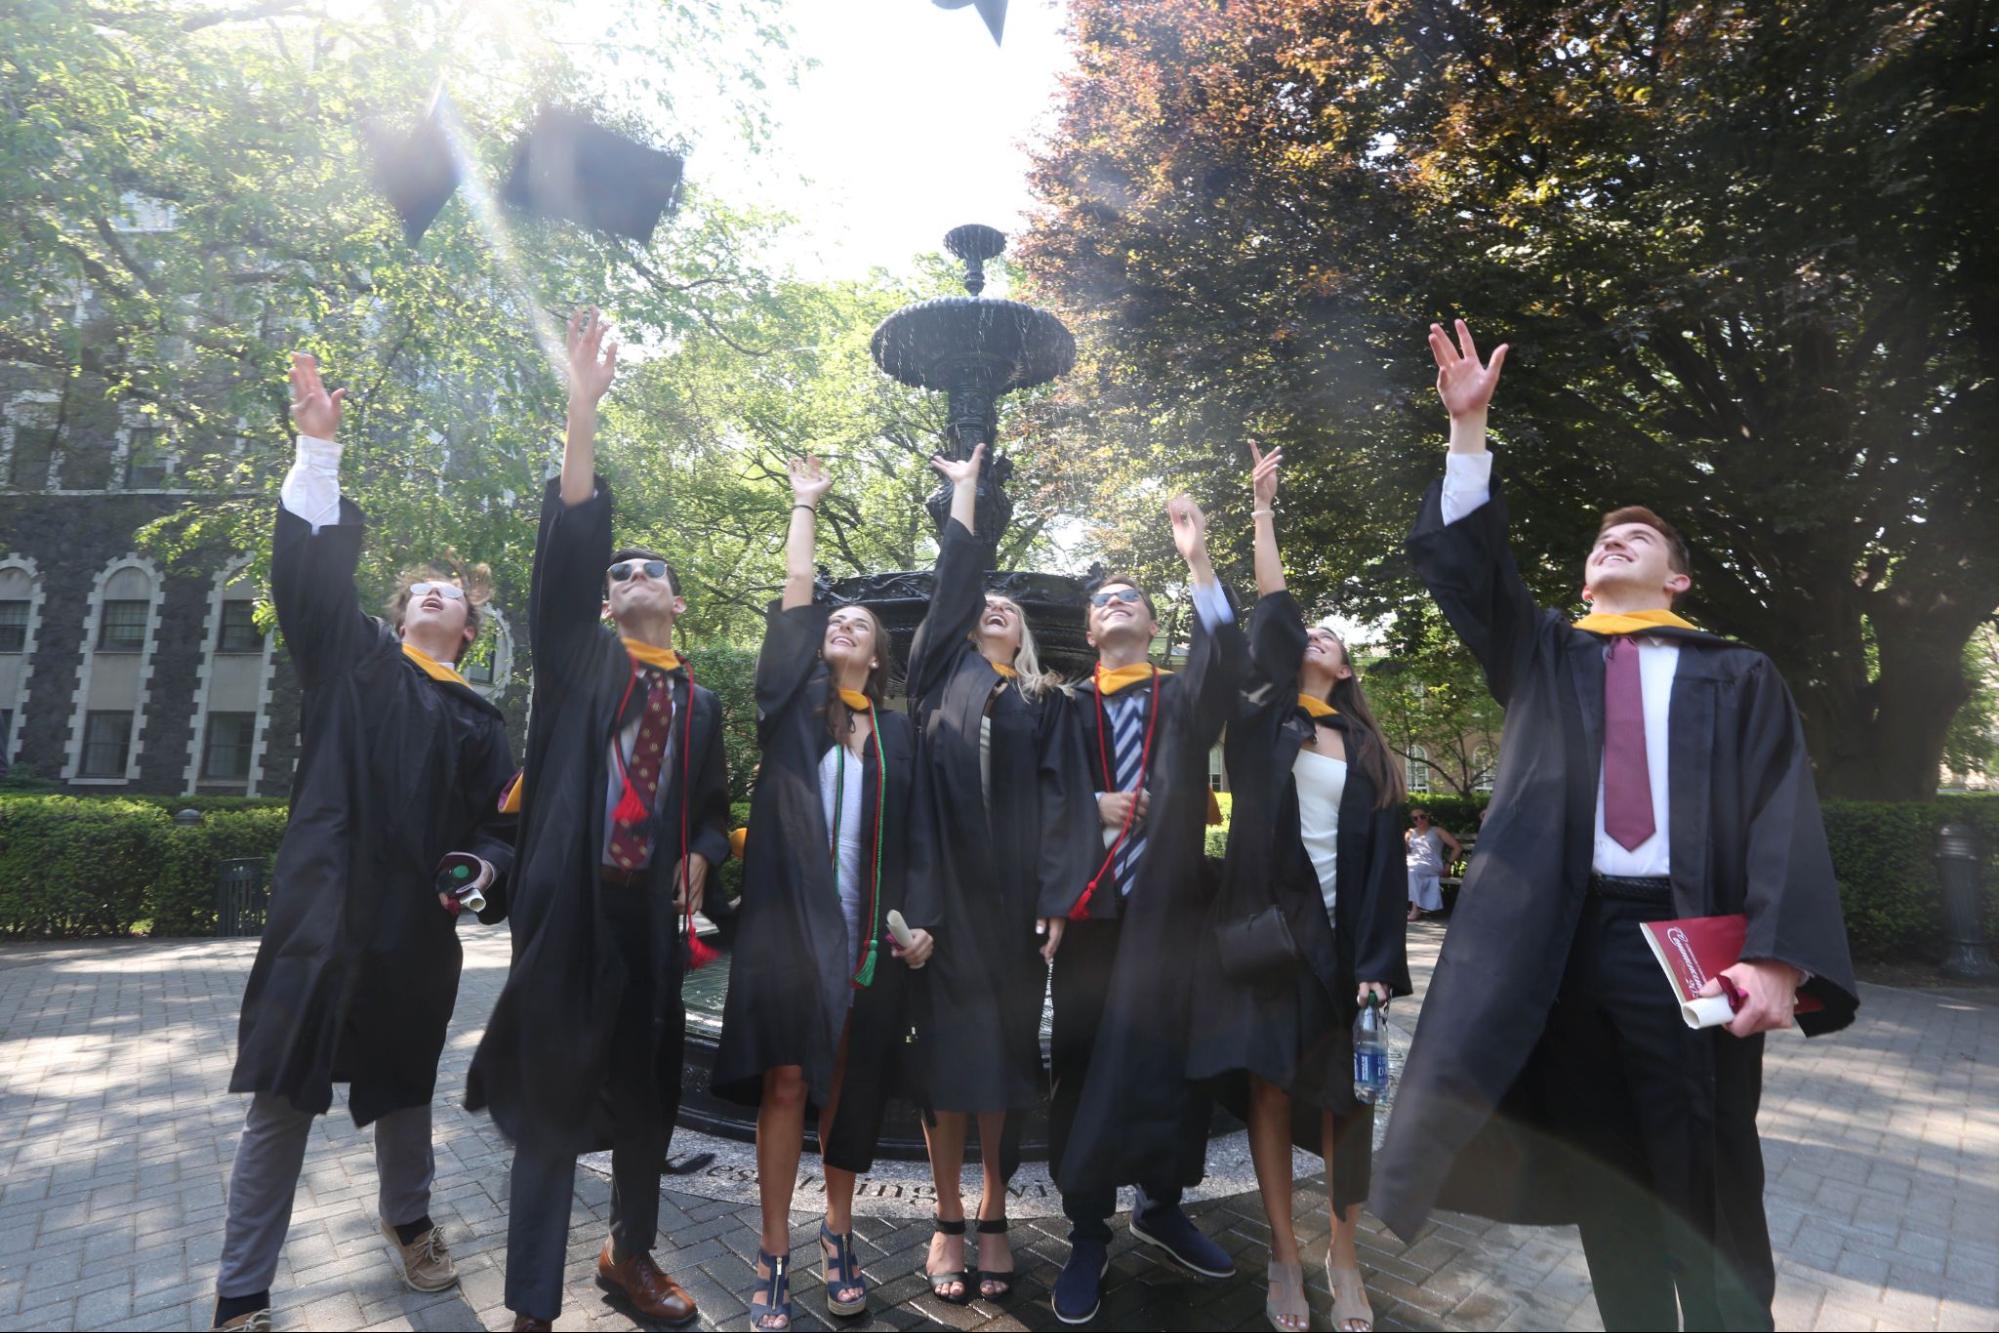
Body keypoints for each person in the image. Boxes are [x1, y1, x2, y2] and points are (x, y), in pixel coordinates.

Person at [1372, 320, 1860, 1331]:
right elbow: (1469, 573)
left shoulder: (1737, 674)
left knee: (1705, 1158)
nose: (1612, 541)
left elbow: (1781, 815)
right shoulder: (1546, 656)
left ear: (1677, 580)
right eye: (1601, 540)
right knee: (1606, 1167)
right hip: (1563, 943)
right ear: (1583, 581)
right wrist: (1467, 432)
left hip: (1689, 941)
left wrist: (1778, 956)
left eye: (1638, 538)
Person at [213, 353, 516, 1333]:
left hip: (411, 930)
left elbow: (500, 826)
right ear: (397, 613)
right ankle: (241, 1293)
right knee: (281, 1093)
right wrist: (318, 452)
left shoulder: (480, 722)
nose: (432, 592)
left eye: (448, 592)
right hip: (323, 913)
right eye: (418, 587)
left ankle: (409, 1221)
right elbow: (307, 578)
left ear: (468, 628)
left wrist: (479, 868)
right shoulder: (352, 663)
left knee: (403, 1085)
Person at [466, 310, 731, 1333]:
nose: (629, 578)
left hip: (648, 923)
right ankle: (533, 1302)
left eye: (647, 570)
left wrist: (700, 855)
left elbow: (709, 813)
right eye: (616, 574)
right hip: (570, 908)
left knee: (648, 1093)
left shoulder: (701, 701)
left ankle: (631, 1254)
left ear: (676, 601)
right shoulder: (582, 664)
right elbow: (569, 549)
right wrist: (583, 408)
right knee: (551, 1096)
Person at [1187, 444, 1409, 1333]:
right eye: (1308, 635)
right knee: (1272, 1091)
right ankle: (1283, 1253)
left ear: (1346, 668)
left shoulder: (1369, 753)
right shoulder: (1263, 725)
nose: (1315, 637)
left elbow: (1385, 871)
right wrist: (1260, 512)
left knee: (1348, 1105)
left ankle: (1342, 1252)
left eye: (1331, 638)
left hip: (1346, 948)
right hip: (1270, 936)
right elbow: (1274, 619)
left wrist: (1379, 964)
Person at [713, 453, 937, 1331]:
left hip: (867, 938)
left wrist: (922, 922)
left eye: (859, 624)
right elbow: (795, 604)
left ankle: (837, 1233)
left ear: (877, 655)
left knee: (848, 1084)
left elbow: (917, 840)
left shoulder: (898, 736)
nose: (841, 625)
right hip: (788, 934)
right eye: (833, 621)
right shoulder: (792, 709)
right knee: (785, 1082)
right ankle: (772, 1248)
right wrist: (802, 507)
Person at [904, 445, 1099, 1305]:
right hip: (941, 910)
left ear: (1022, 636)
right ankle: (945, 1217)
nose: (993, 609)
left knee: (1007, 1064)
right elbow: (954, 582)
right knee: (946, 1067)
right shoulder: (935, 677)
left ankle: (992, 1212)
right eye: (984, 605)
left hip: (1015, 913)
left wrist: (1056, 899)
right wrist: (965, 493)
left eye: (1008, 610)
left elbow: (1062, 803)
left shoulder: (1041, 702)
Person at [1046, 494, 1245, 1326]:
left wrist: (1197, 559)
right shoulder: (1062, 707)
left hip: (1170, 916)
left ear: (1154, 624)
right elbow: (1034, 798)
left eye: (1130, 596)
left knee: (1172, 1061)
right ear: (1089, 630)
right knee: (1082, 1063)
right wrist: (1087, 806)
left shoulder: (1182, 698)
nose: (1115, 603)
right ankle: (1086, 1229)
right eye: (1102, 600)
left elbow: (1226, 656)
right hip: (1092, 917)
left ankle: (1160, 1205)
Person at [1403, 808, 1461, 922]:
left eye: (1422, 816)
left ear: (1427, 816)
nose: (1419, 820)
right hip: (1412, 860)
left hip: (1431, 863)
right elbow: (1404, 849)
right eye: (1415, 818)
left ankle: (1415, 909)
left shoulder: (1437, 831)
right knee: (1397, 869)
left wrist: (1448, 864)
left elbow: (1457, 847)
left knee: (1413, 871)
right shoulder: (1410, 832)